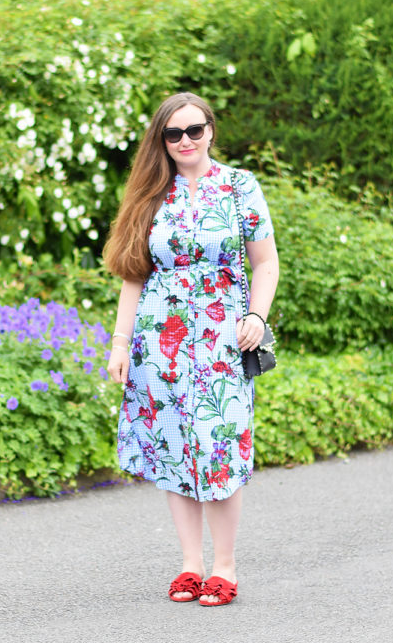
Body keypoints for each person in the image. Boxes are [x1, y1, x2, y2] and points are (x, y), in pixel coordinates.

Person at [104, 92, 279, 607]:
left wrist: (256, 315)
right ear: (162, 140)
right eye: (173, 134)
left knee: (220, 441)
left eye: (194, 130)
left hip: (224, 338)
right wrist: (119, 343)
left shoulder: (240, 187)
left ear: (211, 130)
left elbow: (265, 264)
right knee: (173, 443)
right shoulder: (152, 194)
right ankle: (190, 565)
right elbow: (134, 276)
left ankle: (224, 567)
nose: (185, 141)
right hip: (160, 342)